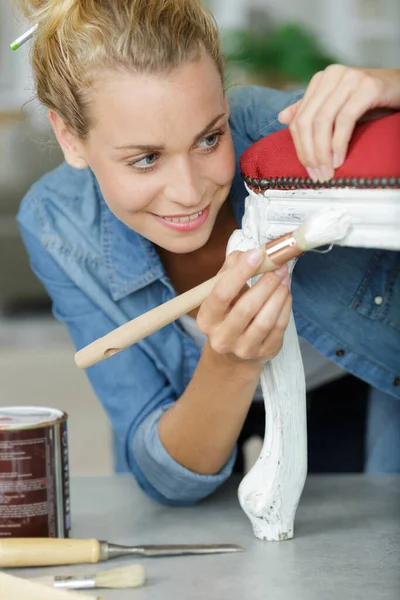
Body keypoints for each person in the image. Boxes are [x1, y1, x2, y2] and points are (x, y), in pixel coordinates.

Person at [15, 0, 400, 504]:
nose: (190, 190)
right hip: (194, 416)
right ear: (69, 137)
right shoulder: (57, 225)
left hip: (354, 387)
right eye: (146, 159)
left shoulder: (283, 130)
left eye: (209, 138)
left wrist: (394, 84)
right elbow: (163, 476)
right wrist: (228, 363)